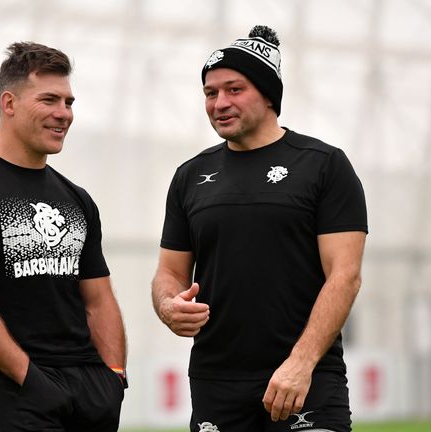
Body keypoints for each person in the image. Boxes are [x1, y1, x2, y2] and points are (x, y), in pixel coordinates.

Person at [151, 25, 368, 432]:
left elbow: (346, 276)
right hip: (217, 383)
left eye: (234, 89)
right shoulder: (189, 176)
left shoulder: (323, 165)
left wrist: (300, 363)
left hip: (306, 381)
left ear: (269, 95)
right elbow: (170, 273)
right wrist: (168, 305)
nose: (219, 103)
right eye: (210, 93)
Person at [0, 41, 127, 431]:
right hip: (10, 389)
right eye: (49, 100)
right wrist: (32, 379)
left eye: (69, 102)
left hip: (89, 387)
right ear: (9, 103)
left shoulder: (77, 199)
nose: (63, 113)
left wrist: (114, 376)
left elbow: (99, 299)